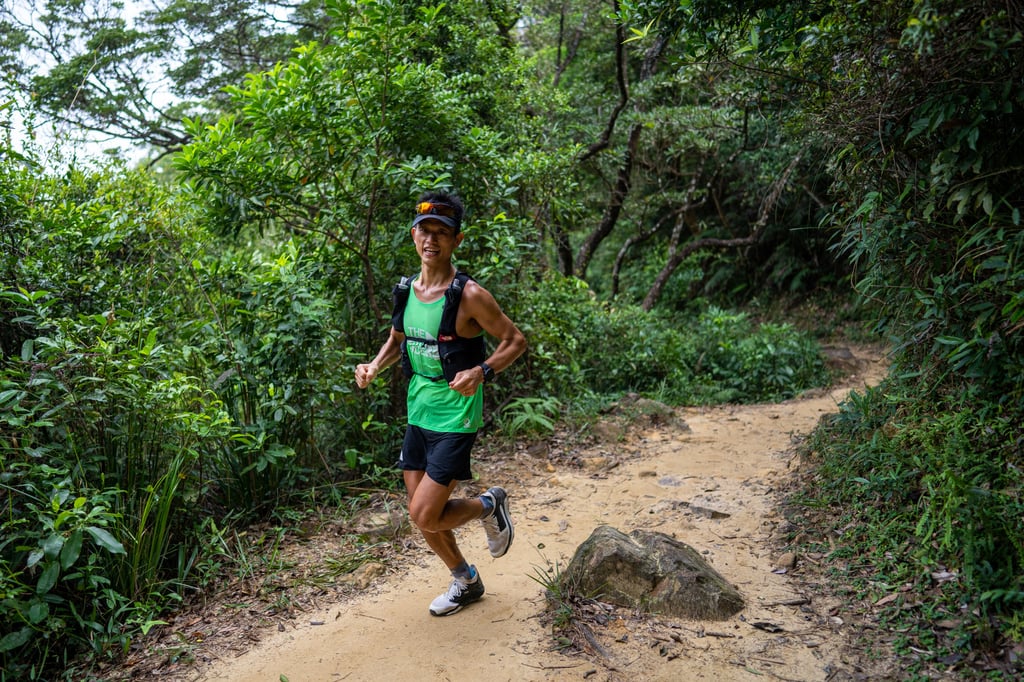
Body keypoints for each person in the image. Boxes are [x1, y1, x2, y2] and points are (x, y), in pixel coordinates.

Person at [354, 190, 527, 616]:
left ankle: (489, 505)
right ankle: (466, 580)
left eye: (441, 233)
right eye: (424, 231)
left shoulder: (469, 295)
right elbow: (398, 338)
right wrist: (374, 365)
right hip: (419, 409)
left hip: (456, 415)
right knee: (424, 516)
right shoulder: (406, 291)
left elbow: (514, 340)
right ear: (413, 235)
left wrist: (481, 371)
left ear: (456, 240)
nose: (431, 240)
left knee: (424, 514)